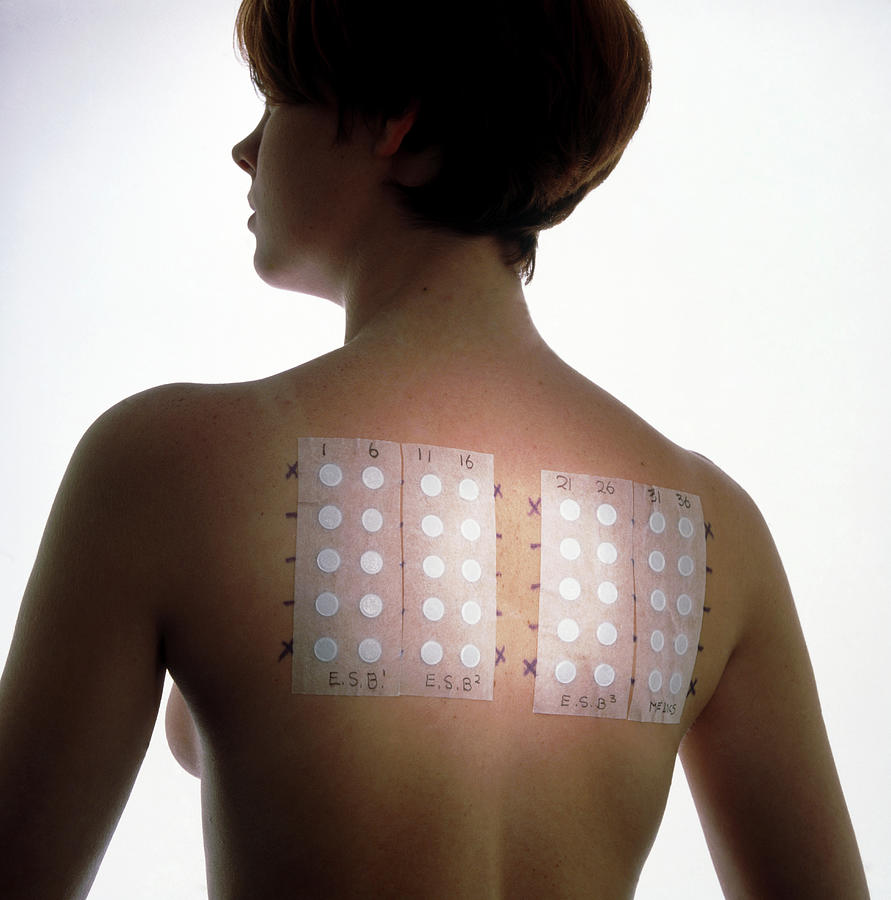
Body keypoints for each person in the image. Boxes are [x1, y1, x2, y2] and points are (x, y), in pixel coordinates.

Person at [0, 0, 870, 896]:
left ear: (394, 121)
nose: (246, 150)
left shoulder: (165, 468)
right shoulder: (713, 532)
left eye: (273, 100)